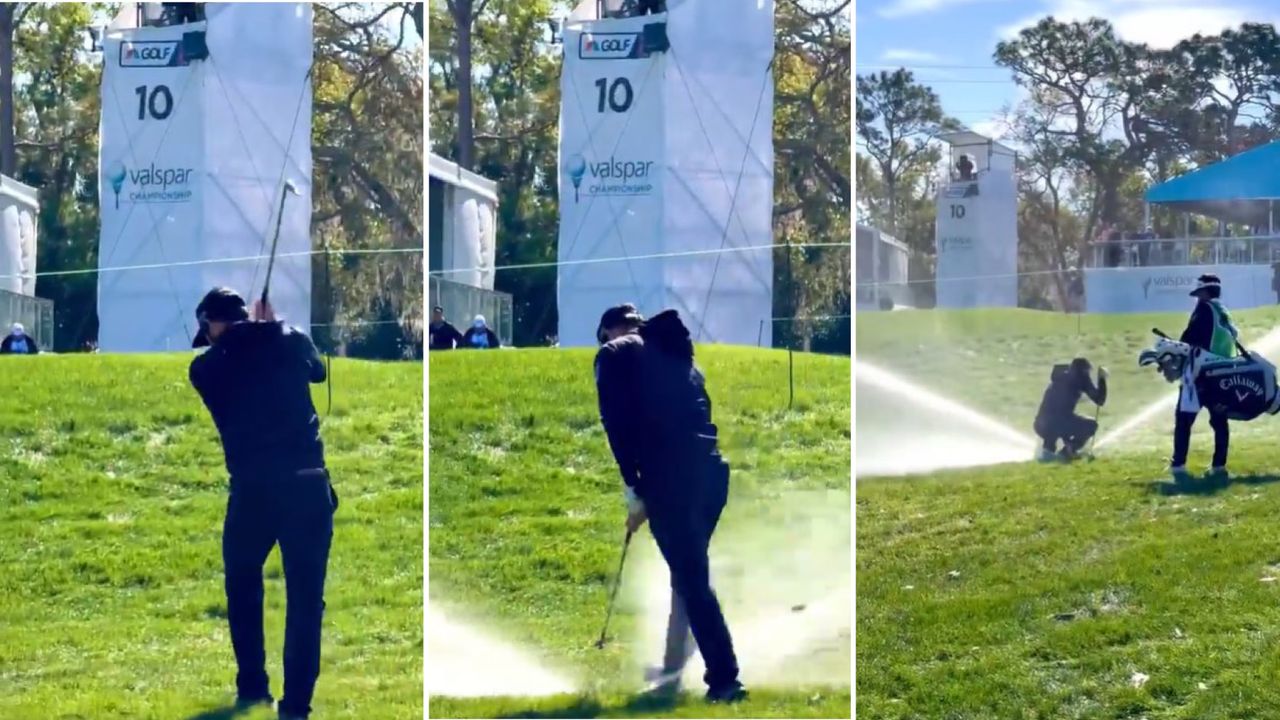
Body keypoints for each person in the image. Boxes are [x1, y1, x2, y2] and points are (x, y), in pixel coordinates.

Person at [188, 287, 336, 720]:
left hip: (253, 493)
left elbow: (312, 370)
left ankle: (253, 685)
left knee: (242, 586)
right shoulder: (278, 343)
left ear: (214, 325)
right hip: (306, 490)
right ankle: (295, 707)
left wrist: (262, 332)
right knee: (305, 602)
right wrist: (273, 328)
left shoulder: (211, 364)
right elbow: (313, 366)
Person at [594, 303, 746, 703]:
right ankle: (673, 668)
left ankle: (726, 680)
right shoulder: (679, 355)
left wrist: (635, 492)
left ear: (610, 331)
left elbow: (616, 426)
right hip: (713, 475)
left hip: (671, 481)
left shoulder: (613, 355)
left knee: (692, 581)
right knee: (687, 576)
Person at [1172, 274, 1238, 481]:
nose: (1197, 297)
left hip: (1200, 375)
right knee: (1219, 421)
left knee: (1184, 420)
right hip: (1222, 376)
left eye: (1199, 293)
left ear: (1205, 292)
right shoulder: (1223, 312)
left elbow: (1188, 339)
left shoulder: (1203, 310)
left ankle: (1178, 465)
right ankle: (1219, 466)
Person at [1033, 358, 1107, 462]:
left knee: (1051, 440)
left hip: (1040, 424)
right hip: (1058, 423)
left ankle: (1047, 453)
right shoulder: (1082, 379)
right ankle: (1067, 452)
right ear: (1084, 371)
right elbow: (1100, 400)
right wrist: (1102, 379)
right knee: (1091, 425)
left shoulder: (1059, 377)